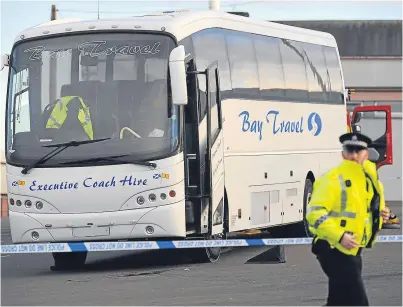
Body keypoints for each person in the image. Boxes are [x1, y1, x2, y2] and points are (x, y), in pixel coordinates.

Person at [306, 132, 390, 306]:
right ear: (343, 153)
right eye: (349, 150)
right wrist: (340, 236)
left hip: (352, 250)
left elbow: (365, 209)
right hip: (332, 249)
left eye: (358, 150)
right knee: (358, 302)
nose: (353, 155)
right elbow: (314, 214)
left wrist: (380, 215)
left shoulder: (369, 179)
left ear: (366, 153)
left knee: (338, 301)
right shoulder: (332, 179)